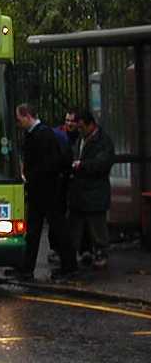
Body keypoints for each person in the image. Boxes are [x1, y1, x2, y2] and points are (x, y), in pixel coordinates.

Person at [7, 103, 77, 281]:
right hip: (40, 189)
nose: (18, 123)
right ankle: (26, 268)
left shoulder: (43, 135)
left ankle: (69, 266)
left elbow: (49, 163)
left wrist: (32, 176)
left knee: (57, 228)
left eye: (19, 119)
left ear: (27, 116)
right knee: (34, 230)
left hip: (47, 189)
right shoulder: (35, 134)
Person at [69, 109, 115, 269]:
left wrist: (82, 165)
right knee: (79, 226)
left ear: (91, 125)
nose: (79, 130)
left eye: (81, 127)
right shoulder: (81, 140)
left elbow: (102, 164)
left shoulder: (103, 141)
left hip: (95, 191)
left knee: (97, 226)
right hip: (80, 191)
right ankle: (84, 251)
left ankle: (101, 252)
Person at [47, 109, 79, 264]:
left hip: (74, 181)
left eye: (72, 121)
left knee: (73, 215)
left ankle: (76, 248)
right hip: (60, 180)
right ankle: (56, 248)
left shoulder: (80, 138)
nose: (69, 124)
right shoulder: (58, 135)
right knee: (58, 214)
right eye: (67, 120)